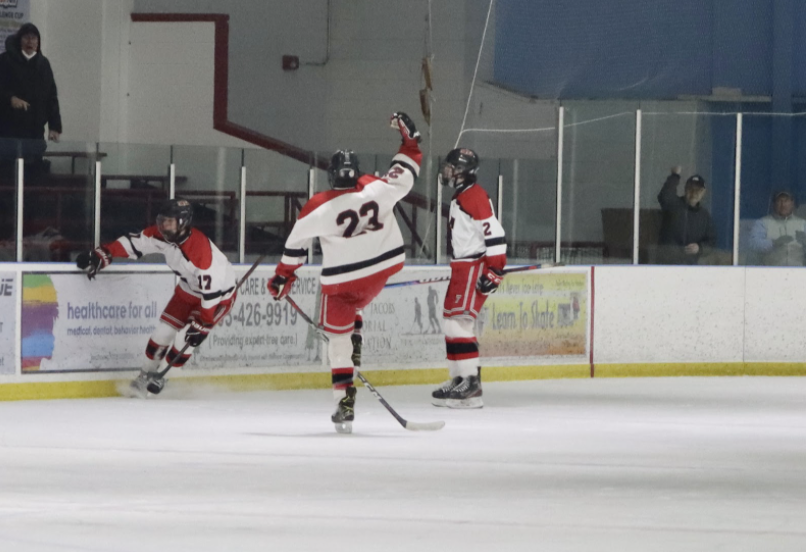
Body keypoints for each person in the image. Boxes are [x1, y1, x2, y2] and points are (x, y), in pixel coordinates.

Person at [267, 112, 422, 434]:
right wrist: (410, 141)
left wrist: (283, 278)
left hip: (343, 282)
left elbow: (295, 247)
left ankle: (344, 398)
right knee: (356, 307)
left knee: (337, 339)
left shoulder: (318, 205)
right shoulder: (378, 188)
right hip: (381, 272)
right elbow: (406, 170)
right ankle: (356, 337)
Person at [75, 199, 238, 397]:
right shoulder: (161, 235)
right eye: (162, 221)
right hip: (188, 289)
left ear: (183, 222)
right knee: (160, 335)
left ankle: (162, 376)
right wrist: (103, 254)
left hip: (219, 296)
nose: (163, 226)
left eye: (169, 222)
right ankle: (144, 375)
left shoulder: (201, 254)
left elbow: (211, 296)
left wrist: (203, 324)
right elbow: (134, 243)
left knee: (185, 338)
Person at [431, 148, 507, 409]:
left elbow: (494, 234)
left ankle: (472, 385)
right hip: (462, 266)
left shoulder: (474, 196)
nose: (446, 171)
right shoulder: (461, 195)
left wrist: (495, 270)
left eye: (450, 167)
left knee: (460, 325)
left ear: (462, 171)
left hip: (474, 265)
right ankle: (460, 378)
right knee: (451, 324)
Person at [0, 23, 62, 172]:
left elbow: (51, 96)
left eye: (34, 38)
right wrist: (10, 99)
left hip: (34, 130)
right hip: (9, 129)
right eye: (26, 38)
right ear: (19, 40)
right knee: (8, 174)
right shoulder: (5, 60)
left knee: (33, 173)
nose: (30, 42)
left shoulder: (43, 64)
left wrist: (54, 126)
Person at [657, 166, 716, 265]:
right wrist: (675, 176)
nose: (694, 193)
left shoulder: (705, 216)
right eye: (691, 189)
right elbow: (664, 196)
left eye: (698, 190)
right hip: (666, 265)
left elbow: (712, 242)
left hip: (690, 268)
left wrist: (699, 248)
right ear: (685, 189)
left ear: (703, 193)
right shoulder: (673, 204)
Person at [748, 190, 806, 266]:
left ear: (792, 203)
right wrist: (774, 243)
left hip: (798, 272)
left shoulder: (802, 223)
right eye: (779, 201)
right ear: (774, 204)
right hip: (771, 272)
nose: (783, 205)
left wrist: (804, 240)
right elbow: (753, 244)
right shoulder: (763, 222)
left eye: (786, 201)